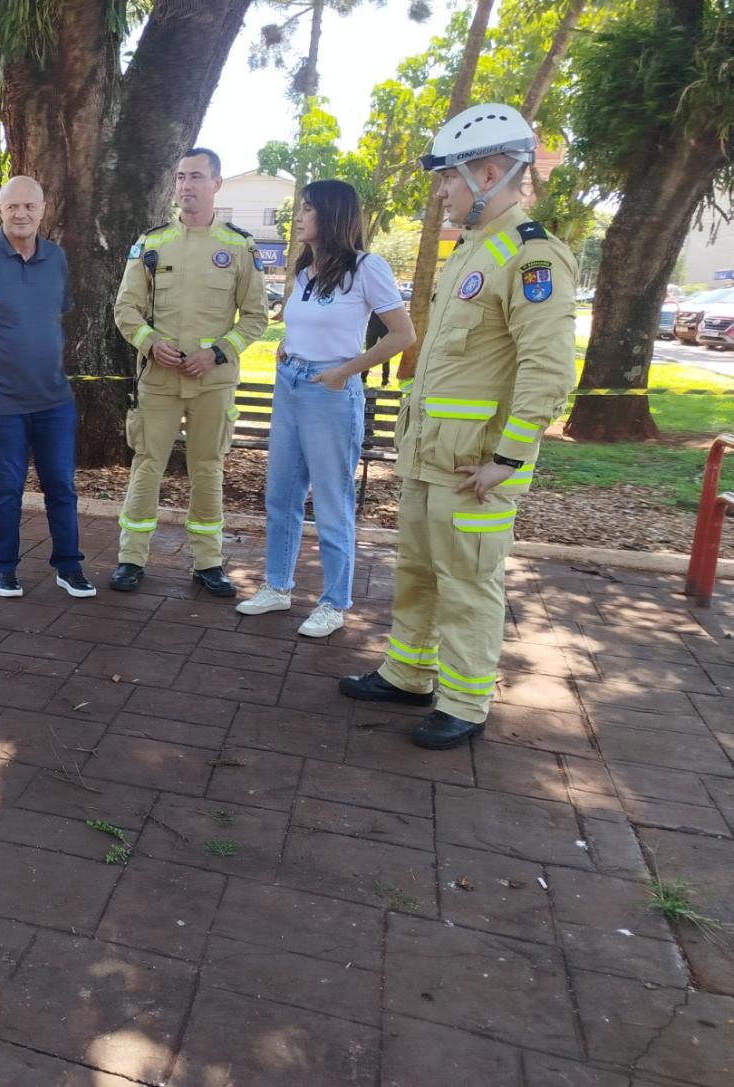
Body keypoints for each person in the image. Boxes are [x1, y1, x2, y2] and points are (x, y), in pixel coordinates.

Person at [339, 104, 577, 749]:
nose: (441, 190)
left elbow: (547, 368)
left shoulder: (533, 259)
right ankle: (409, 672)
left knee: (469, 581)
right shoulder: (473, 249)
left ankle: (466, 703)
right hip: (431, 455)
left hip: (477, 464)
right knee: (417, 567)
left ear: (492, 174)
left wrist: (512, 457)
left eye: (449, 178)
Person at [237, 180, 416, 637]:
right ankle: (277, 587)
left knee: (332, 502)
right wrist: (286, 349)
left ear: (332, 215)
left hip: (331, 391)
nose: (298, 217)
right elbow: (302, 323)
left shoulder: (366, 268)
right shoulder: (304, 270)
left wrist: (344, 372)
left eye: (308, 209)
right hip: (291, 384)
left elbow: (402, 335)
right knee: (281, 496)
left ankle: (334, 604)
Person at [110, 148, 269, 598]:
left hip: (212, 383)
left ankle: (208, 562)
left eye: (196, 177)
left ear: (216, 184)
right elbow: (125, 308)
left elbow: (256, 318)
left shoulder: (239, 246)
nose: (186, 186)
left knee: (207, 469)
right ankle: (130, 558)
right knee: (146, 466)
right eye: (180, 177)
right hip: (158, 380)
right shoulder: (152, 243)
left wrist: (219, 353)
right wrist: (149, 342)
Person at [0, 176, 95, 600]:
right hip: (0, 401)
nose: (21, 214)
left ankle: (70, 566)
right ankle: (3, 567)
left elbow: (53, 316)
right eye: (13, 207)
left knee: (61, 486)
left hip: (53, 399)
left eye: (29, 206)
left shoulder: (57, 259)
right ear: (0, 210)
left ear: (43, 209)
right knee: (7, 488)